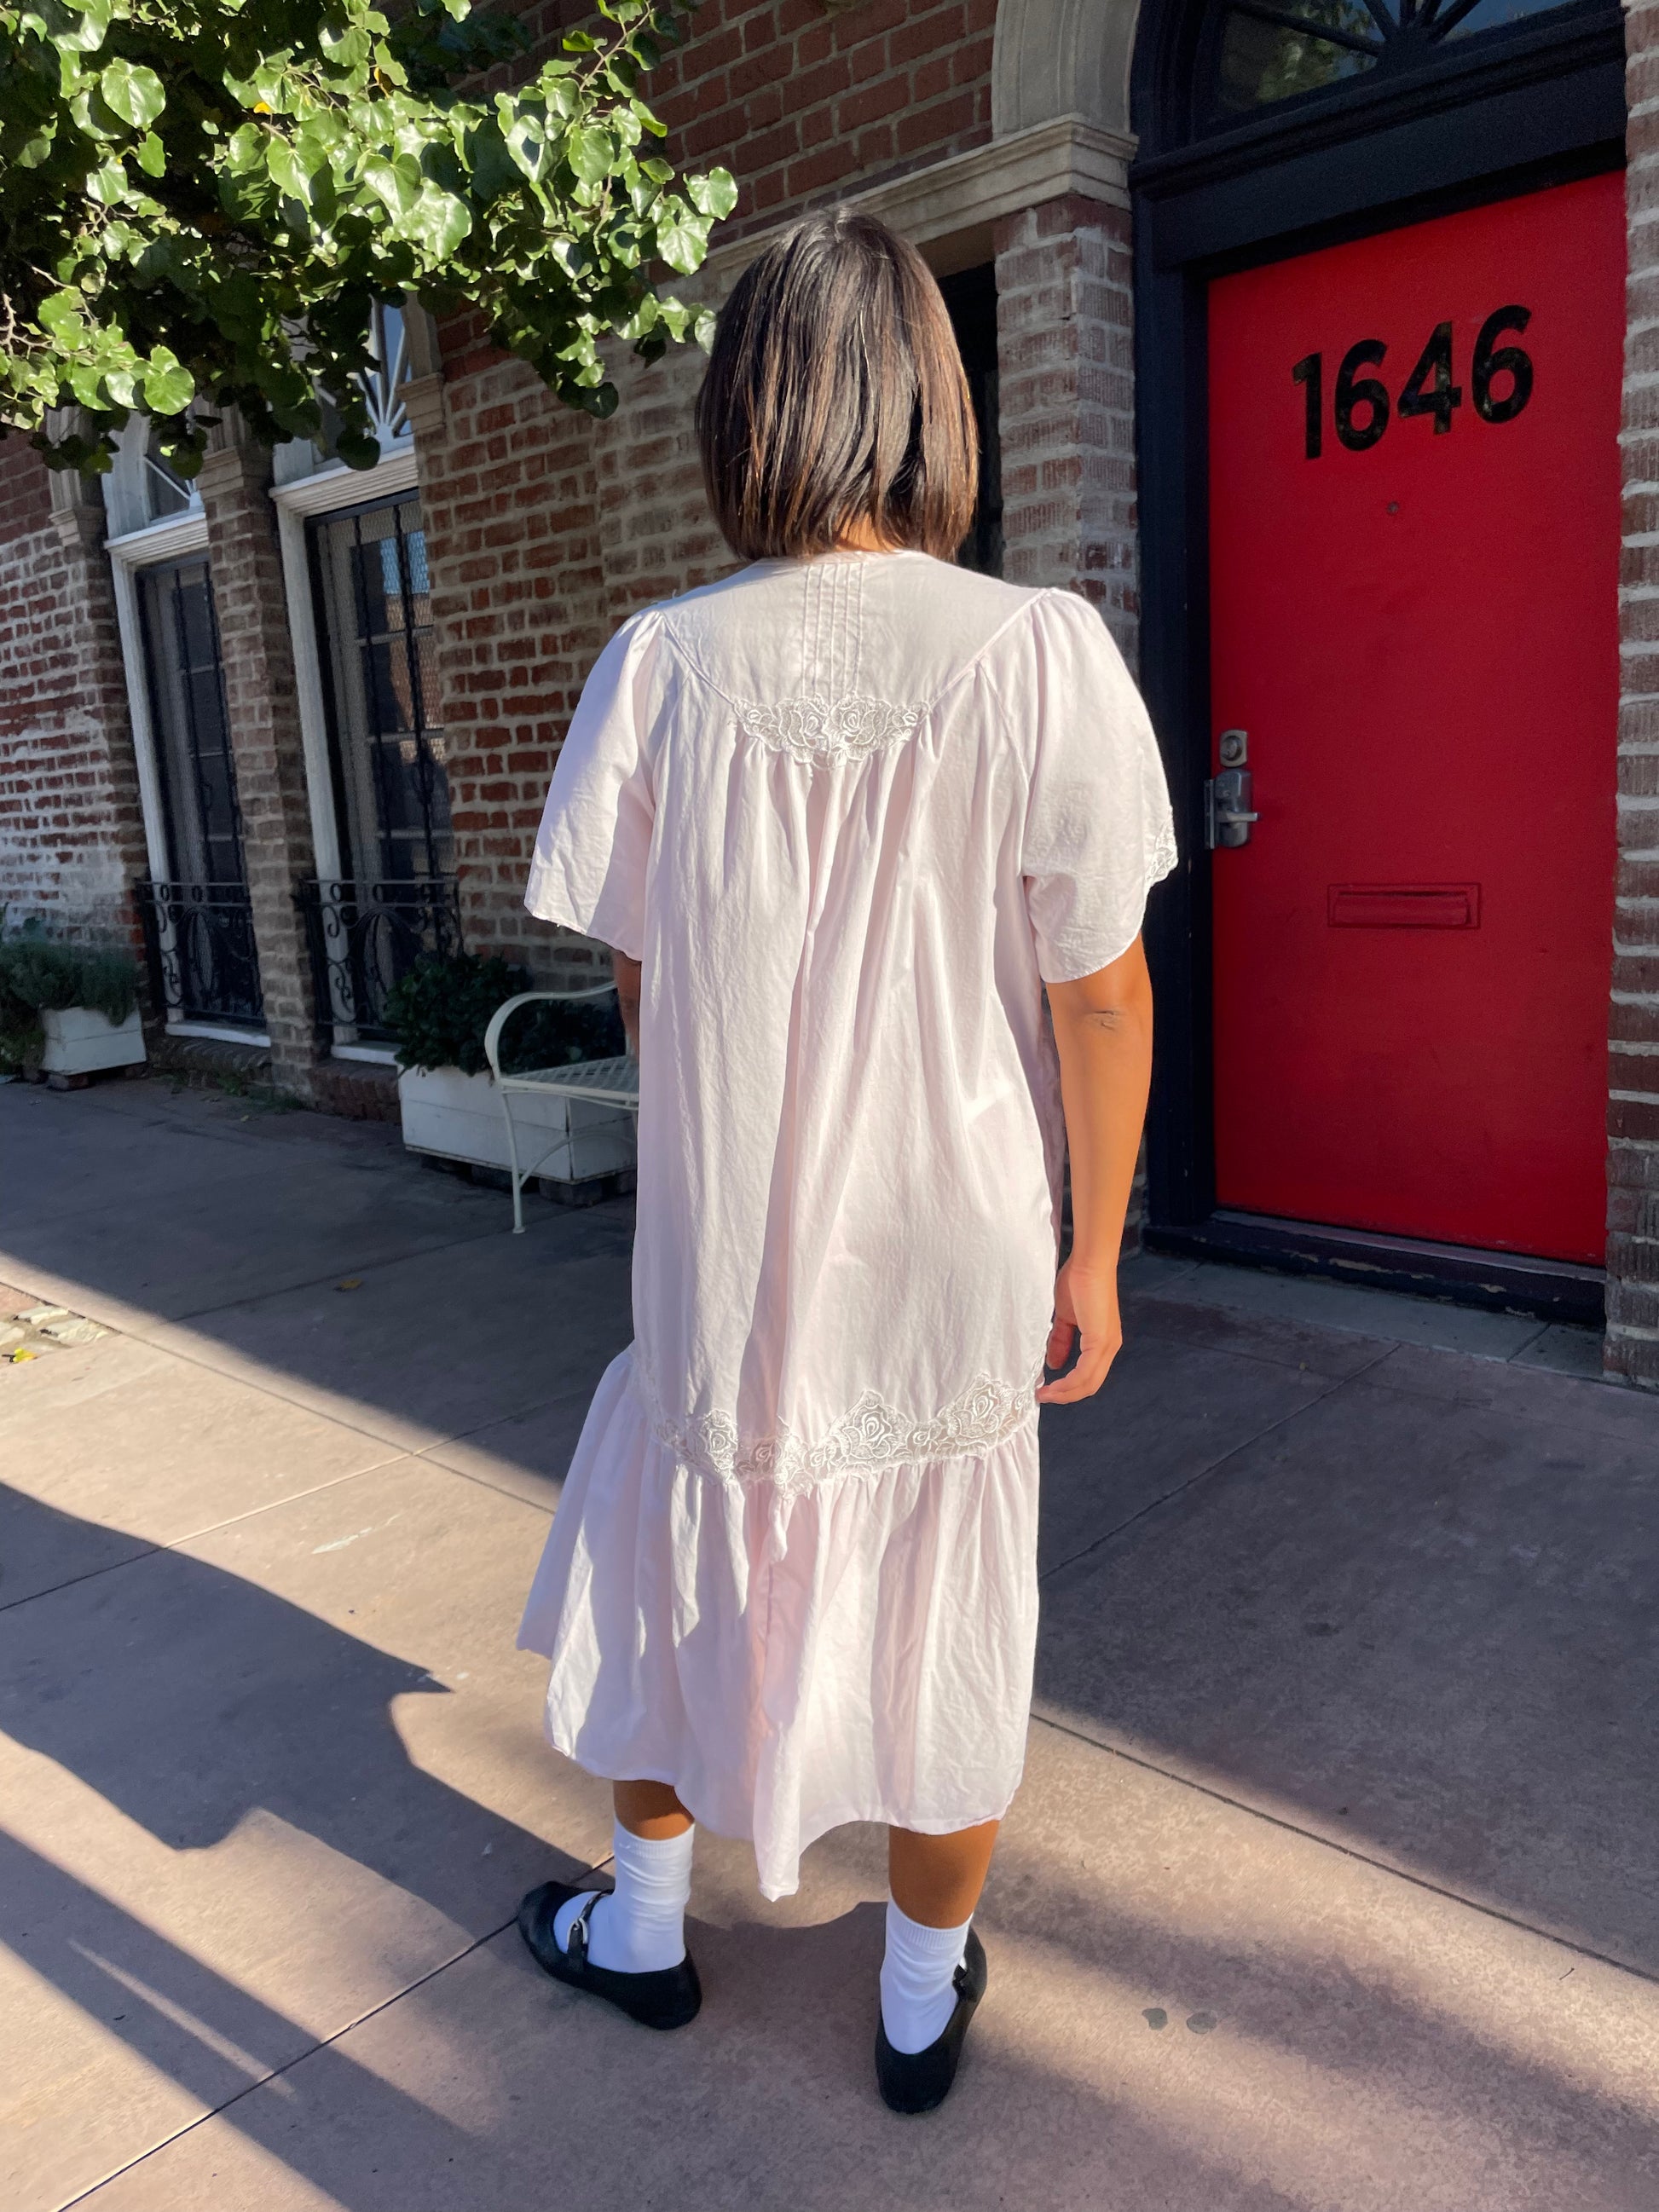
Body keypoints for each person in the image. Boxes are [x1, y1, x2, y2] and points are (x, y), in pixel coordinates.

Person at [513, 207, 1176, 2115]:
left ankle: (645, 1931)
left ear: (747, 407)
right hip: (954, 1242)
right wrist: (1094, 1249)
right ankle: (910, 1993)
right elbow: (1098, 994)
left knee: (675, 1565)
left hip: (726, 1248)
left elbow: (649, 990)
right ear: (931, 405)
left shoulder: (655, 663)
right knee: (941, 1604)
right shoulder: (1040, 650)